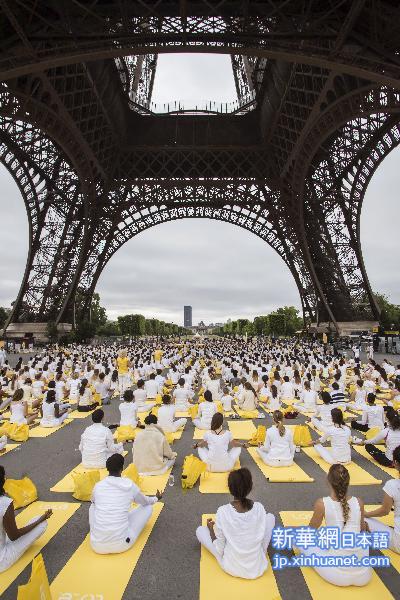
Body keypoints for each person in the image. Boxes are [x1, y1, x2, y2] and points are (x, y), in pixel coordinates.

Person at [196, 467, 275, 579]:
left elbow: (220, 548)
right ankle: (259, 553)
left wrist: (210, 530)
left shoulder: (222, 511)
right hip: (258, 566)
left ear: (229, 488)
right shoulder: (259, 507)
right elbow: (261, 535)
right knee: (270, 517)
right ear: (250, 487)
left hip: (232, 567)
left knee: (200, 530)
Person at [301, 463, 371, 586]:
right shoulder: (358, 502)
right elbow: (361, 530)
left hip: (337, 575)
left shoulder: (322, 503)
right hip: (364, 575)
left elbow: (310, 532)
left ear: (328, 481)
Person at [89, 453, 162, 554]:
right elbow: (145, 502)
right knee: (148, 507)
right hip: (122, 544)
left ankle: (100, 531)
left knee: (92, 506)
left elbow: (93, 501)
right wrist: (156, 498)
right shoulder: (129, 485)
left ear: (107, 468)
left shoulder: (98, 486)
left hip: (96, 545)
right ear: (122, 468)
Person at [0, 465, 52, 572]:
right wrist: (40, 520)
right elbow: (14, 536)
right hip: (2, 560)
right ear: (3, 481)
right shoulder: (5, 503)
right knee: (42, 525)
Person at [364, 445, 400, 553]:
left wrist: (366, 514)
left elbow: (384, 511)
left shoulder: (393, 484)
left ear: (396, 463)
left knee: (361, 518)